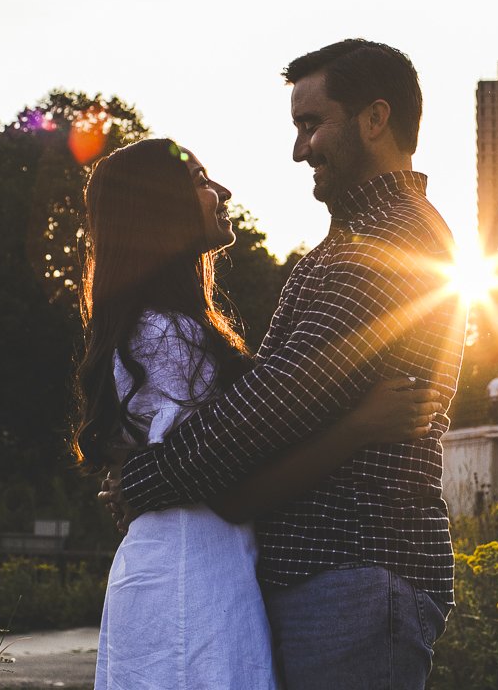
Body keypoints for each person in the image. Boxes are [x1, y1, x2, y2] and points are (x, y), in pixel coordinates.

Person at [111, 40, 465, 690]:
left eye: (311, 124)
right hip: (340, 584)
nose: (299, 149)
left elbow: (271, 404)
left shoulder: (386, 243)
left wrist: (147, 480)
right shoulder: (359, 241)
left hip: (352, 578)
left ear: (374, 119)